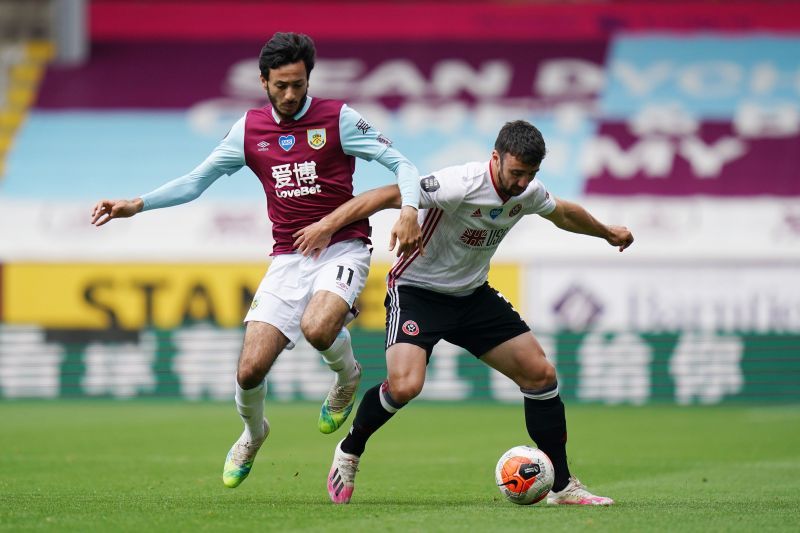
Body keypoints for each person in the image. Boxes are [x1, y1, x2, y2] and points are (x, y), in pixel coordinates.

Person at [90, 32, 423, 489]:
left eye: (299, 84)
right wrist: (136, 204)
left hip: (343, 245)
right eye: (281, 85)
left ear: (309, 80)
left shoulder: (339, 118)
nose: (291, 94)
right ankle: (253, 433)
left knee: (319, 327)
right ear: (263, 81)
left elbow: (403, 165)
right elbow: (196, 181)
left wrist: (408, 208)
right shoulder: (248, 130)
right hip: (288, 257)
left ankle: (347, 376)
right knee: (249, 370)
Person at [293, 120, 634, 505]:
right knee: (405, 385)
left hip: (472, 296)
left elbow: (564, 214)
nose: (522, 183)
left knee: (541, 375)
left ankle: (562, 486)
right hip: (417, 291)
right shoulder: (461, 184)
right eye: (516, 172)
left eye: (531, 175)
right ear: (496, 158)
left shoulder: (528, 192)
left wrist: (606, 232)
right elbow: (383, 195)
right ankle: (350, 450)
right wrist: (327, 225)